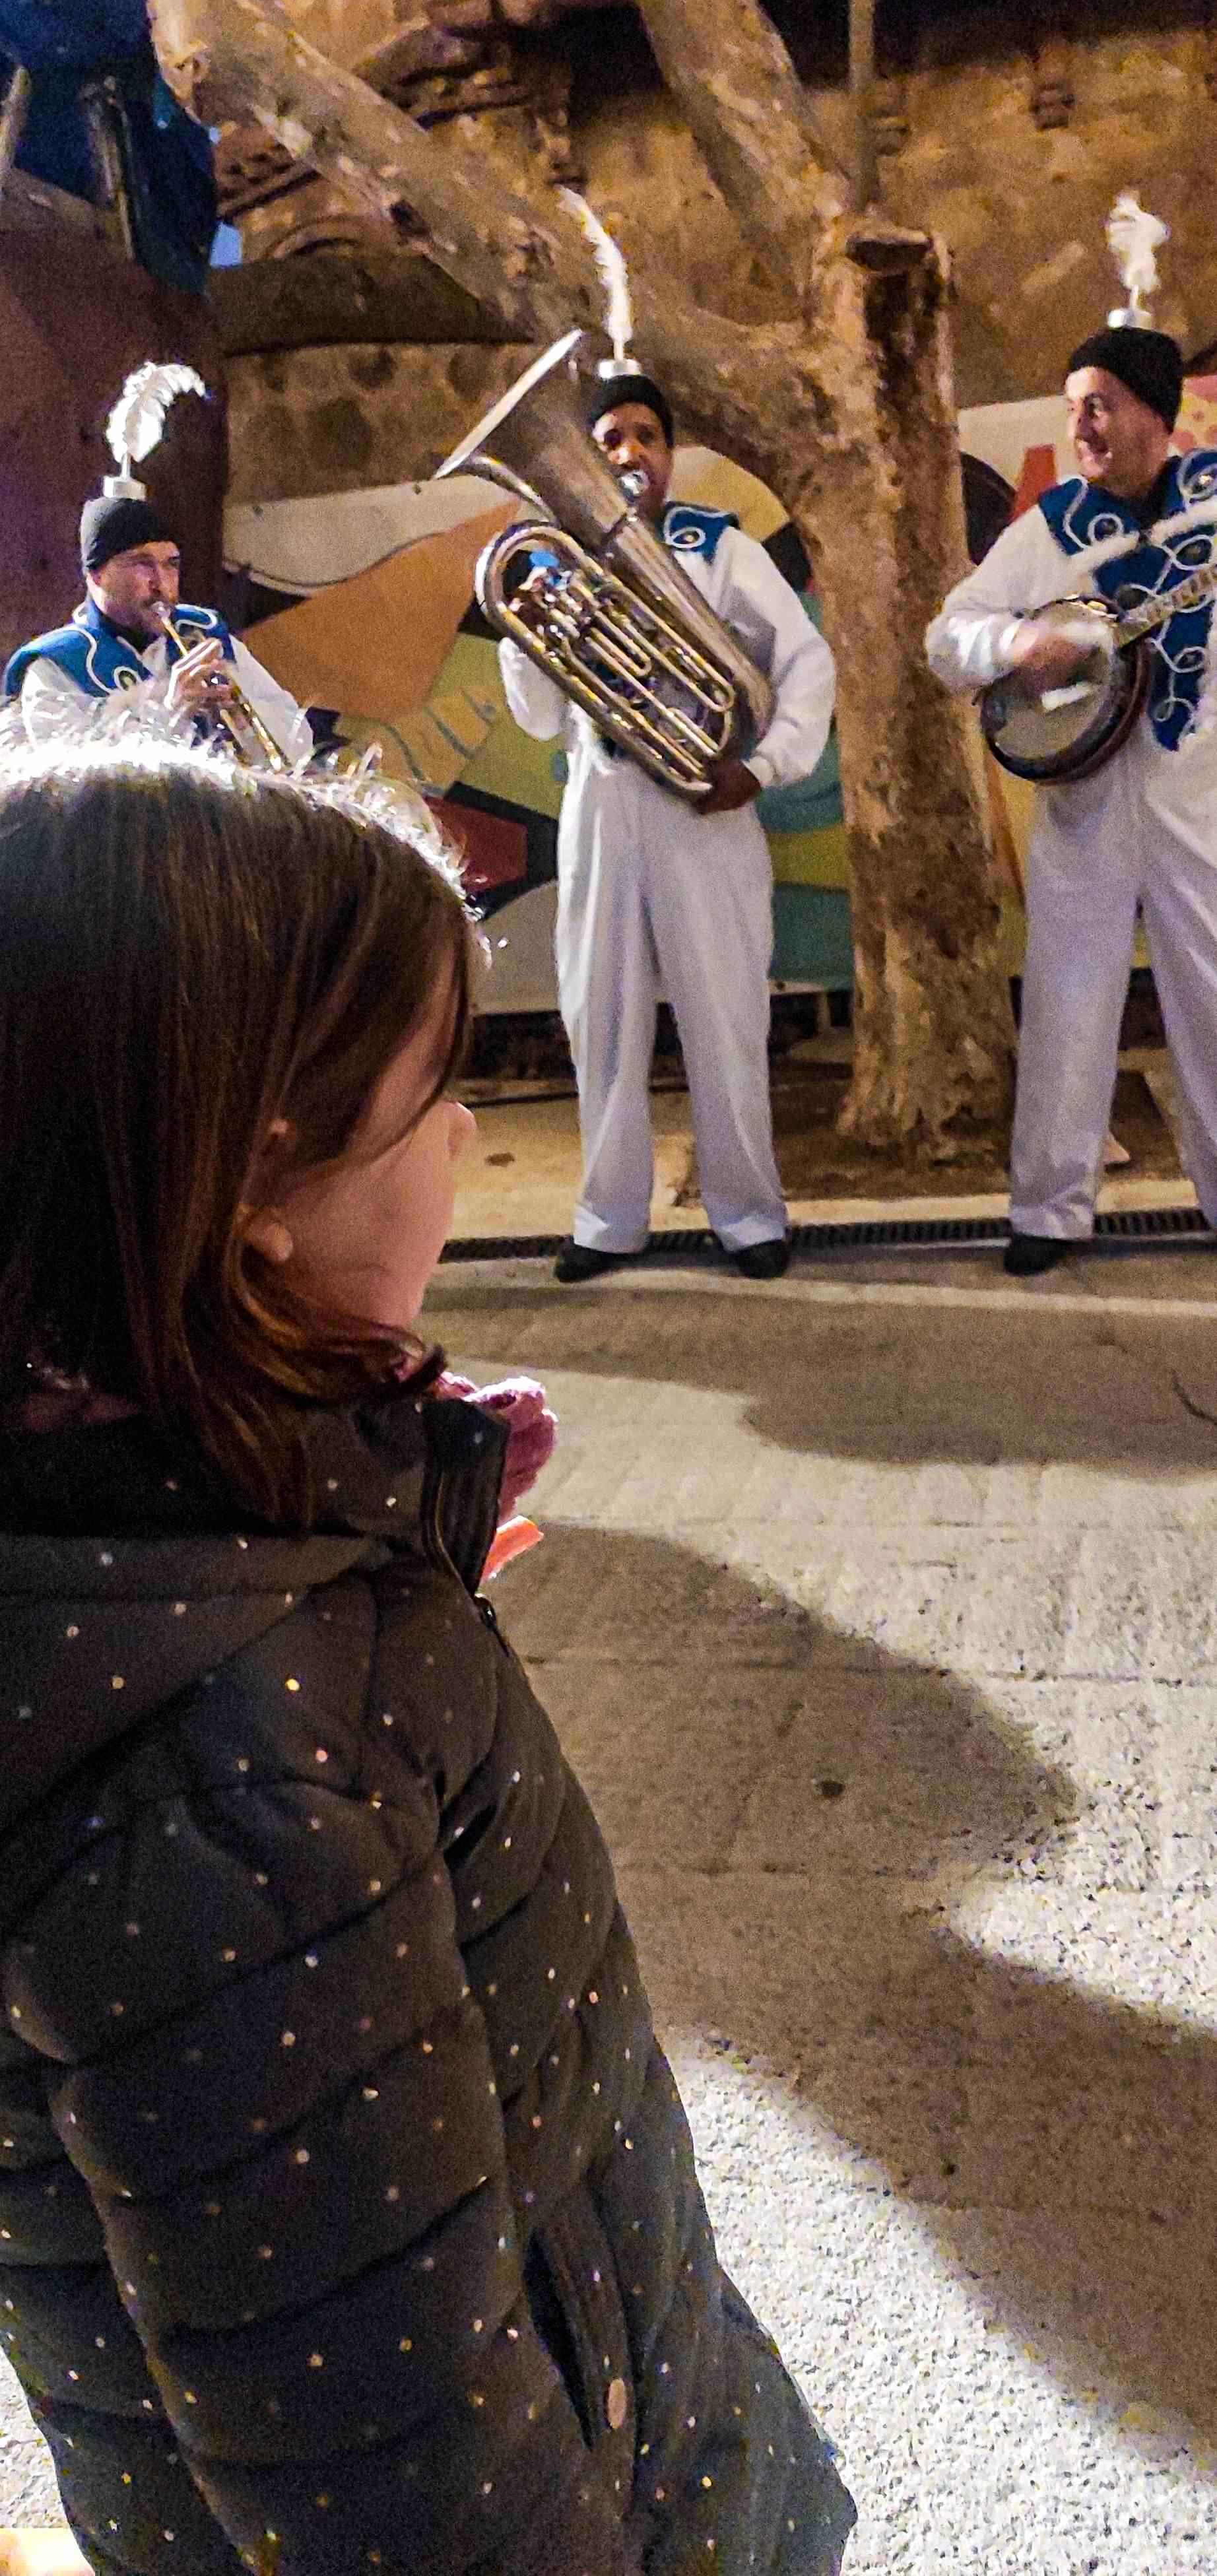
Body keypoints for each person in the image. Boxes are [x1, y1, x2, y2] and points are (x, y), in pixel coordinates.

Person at [0, 744, 857, 2576]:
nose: (474, 1140)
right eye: (433, 1098)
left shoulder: (205, 1526)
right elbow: (398, 2478)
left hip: (616, 2388)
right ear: (251, 1188)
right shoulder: (235, 1762)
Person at [497, 372, 836, 1284]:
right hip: (601, 801)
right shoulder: (559, 557)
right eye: (609, 439)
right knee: (597, 1018)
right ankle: (607, 1220)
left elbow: (804, 662)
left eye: (645, 436)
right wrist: (526, 624)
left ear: (671, 455)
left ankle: (750, 1215)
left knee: (726, 1016)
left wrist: (764, 769)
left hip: (704, 803)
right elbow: (535, 717)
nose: (627, 454)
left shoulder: (719, 547)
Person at [926, 324, 1217, 1275]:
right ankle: (1049, 1213)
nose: (1082, 424)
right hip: (1086, 805)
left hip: (1199, 797)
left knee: (1213, 1001)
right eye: (1072, 406)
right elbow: (947, 636)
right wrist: (1012, 648)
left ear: (1153, 414)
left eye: (1100, 403)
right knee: (1066, 1002)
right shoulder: (1050, 528)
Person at [3, 486, 309, 764]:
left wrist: (244, 724)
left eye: (171, 564)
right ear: (95, 575)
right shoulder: (54, 667)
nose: (161, 584)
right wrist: (171, 711)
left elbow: (299, 744)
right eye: (141, 564)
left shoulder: (203, 634)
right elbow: (77, 790)